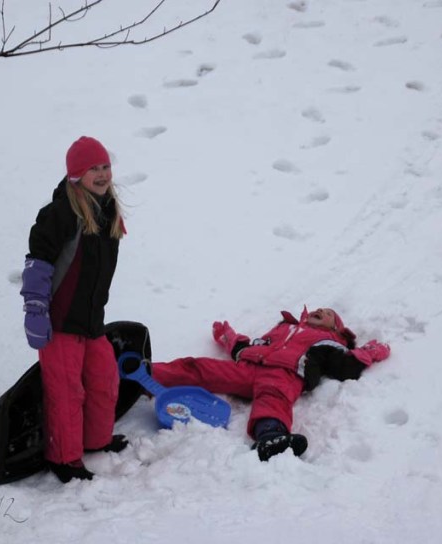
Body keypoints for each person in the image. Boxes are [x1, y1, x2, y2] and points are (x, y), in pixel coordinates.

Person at [20, 136, 128, 483]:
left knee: (104, 381)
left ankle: (96, 440)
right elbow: (38, 265)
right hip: (60, 322)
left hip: (91, 321)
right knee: (66, 392)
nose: (102, 174)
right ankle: (64, 458)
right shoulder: (60, 214)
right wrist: (35, 310)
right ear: (76, 174)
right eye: (93, 168)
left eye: (105, 166)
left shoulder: (107, 210)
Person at [150, 307, 391, 461]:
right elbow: (247, 345)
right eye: (319, 309)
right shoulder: (284, 328)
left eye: (328, 313)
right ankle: (144, 372)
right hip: (249, 366)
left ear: (336, 328)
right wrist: (228, 336)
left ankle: (271, 436)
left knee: (273, 397)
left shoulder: (328, 342)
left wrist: (371, 351)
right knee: (201, 367)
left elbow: (346, 366)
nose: (320, 310)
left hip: (284, 374)